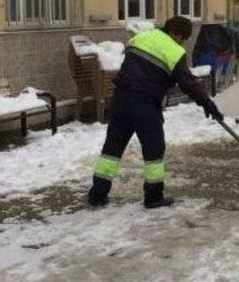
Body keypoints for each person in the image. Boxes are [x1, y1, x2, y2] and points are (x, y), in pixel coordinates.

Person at [87, 17, 223, 209]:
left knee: (112, 149)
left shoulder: (140, 38)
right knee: (154, 150)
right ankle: (153, 197)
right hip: (145, 104)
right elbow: (187, 83)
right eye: (183, 38)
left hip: (120, 100)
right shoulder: (175, 51)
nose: (182, 42)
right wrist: (206, 103)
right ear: (176, 33)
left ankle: (97, 194)